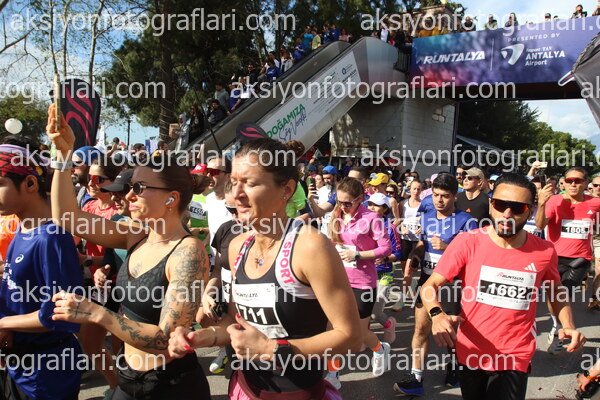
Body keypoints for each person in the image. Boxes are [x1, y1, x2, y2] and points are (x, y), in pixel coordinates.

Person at [168, 138, 361, 399]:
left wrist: (273, 349)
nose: (236, 194)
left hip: (297, 393)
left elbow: (350, 337)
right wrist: (204, 337)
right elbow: (236, 324)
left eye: (250, 183)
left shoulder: (310, 247)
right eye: (234, 182)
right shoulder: (237, 246)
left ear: (286, 190)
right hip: (245, 387)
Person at [46, 104, 211, 399]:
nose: (129, 195)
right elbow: (66, 218)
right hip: (128, 378)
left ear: (171, 198)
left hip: (168, 386)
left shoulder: (188, 253)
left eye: (140, 187)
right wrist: (63, 154)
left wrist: (96, 313)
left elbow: (165, 340)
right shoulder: (136, 235)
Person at [421, 173, 586, 400]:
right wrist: (437, 315)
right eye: (500, 205)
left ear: (530, 211)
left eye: (517, 208)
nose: (506, 214)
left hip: (515, 355)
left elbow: (556, 291)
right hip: (471, 351)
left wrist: (568, 325)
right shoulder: (467, 242)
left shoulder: (545, 251)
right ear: (491, 204)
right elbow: (429, 286)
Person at [0, 143, 84, 400]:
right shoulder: (21, 230)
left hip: (46, 376)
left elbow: (61, 314)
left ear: (30, 183)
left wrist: (3, 324)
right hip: (19, 367)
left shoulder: (51, 238)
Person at [393, 173, 478, 397]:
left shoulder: (467, 221)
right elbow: (423, 242)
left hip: (451, 285)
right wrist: (415, 256)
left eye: (445, 196)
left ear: (455, 196)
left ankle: (454, 366)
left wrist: (448, 247)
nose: (439, 200)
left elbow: (474, 257)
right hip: (427, 280)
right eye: (436, 195)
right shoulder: (427, 215)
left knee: (450, 332)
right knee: (421, 329)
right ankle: (416, 376)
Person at [326, 177, 392, 388]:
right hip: (338, 280)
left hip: (363, 282)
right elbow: (331, 243)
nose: (343, 206)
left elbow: (386, 248)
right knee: (333, 330)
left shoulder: (372, 218)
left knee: (361, 333)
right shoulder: (336, 215)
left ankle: (380, 350)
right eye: (339, 201)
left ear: (360, 199)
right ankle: (333, 374)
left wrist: (358, 255)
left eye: (348, 203)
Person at [536, 167, 600, 346]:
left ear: (585, 183)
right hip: (555, 258)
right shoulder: (554, 201)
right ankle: (557, 325)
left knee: (563, 293)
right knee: (552, 296)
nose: (572, 184)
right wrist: (542, 203)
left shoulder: (595, 203)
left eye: (577, 181)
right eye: (569, 180)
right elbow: (540, 225)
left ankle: (562, 329)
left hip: (579, 259)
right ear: (563, 183)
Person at [367, 193, 401, 344]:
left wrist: (384, 258)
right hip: (366, 274)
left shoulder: (390, 228)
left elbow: (398, 253)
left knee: (375, 312)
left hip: (384, 274)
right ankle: (365, 338)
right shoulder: (363, 225)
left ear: (385, 209)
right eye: (370, 204)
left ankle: (389, 325)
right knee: (364, 310)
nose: (371, 208)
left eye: (376, 205)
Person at [394, 179, 423, 311]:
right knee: (404, 268)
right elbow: (398, 220)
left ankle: (401, 299)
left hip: (417, 240)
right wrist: (402, 227)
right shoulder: (403, 203)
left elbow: (428, 220)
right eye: (414, 188)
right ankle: (412, 283)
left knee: (408, 270)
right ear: (409, 189)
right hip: (404, 238)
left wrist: (422, 227)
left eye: (418, 189)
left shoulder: (423, 204)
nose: (416, 191)